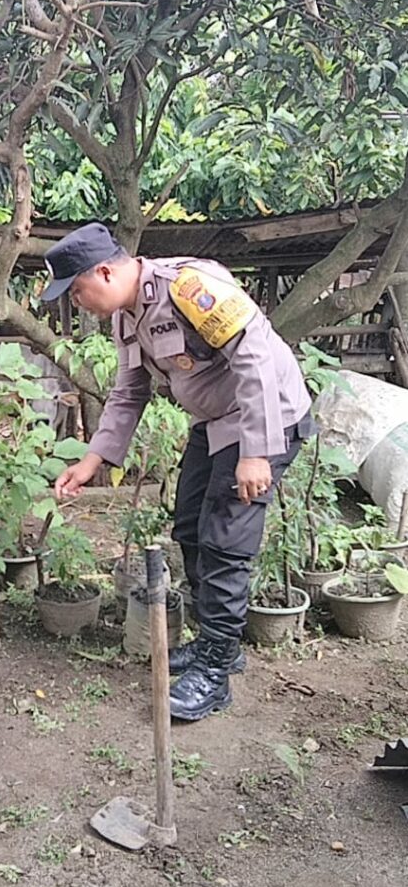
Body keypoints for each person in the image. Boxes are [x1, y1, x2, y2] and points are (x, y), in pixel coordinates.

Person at [46, 223, 314, 722]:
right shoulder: (128, 317)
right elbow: (129, 392)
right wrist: (92, 461)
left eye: (77, 291)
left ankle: (215, 673)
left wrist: (256, 453)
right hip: (216, 423)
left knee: (225, 541)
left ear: (104, 271)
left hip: (264, 418)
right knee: (189, 527)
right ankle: (220, 645)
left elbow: (254, 355)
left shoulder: (189, 287)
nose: (77, 302)